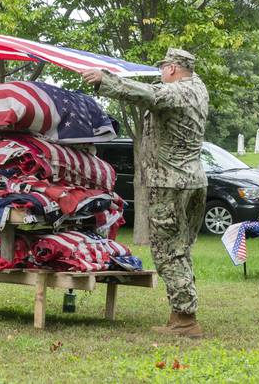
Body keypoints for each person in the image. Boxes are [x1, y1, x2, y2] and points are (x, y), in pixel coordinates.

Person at [81, 48, 209, 338]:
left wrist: (106, 81)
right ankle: (181, 313)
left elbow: (148, 95)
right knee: (180, 249)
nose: (161, 73)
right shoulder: (199, 88)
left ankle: (186, 320)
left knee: (167, 252)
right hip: (193, 181)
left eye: (164, 68)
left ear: (174, 69)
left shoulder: (176, 93)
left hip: (170, 184)